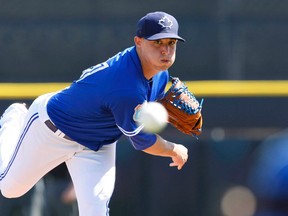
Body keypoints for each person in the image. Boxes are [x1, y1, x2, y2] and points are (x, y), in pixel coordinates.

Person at [0, 11, 188, 216]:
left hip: (98, 143)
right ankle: (15, 116)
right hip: (52, 129)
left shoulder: (161, 73)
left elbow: (144, 107)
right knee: (10, 189)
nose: (165, 50)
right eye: (157, 43)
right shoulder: (125, 85)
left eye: (171, 43)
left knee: (95, 210)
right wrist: (173, 148)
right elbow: (143, 142)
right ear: (139, 42)